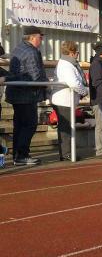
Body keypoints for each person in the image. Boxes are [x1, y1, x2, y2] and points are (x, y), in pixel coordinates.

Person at [5, 26, 48, 165]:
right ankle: (22, 155)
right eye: (40, 37)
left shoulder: (18, 48)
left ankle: (17, 155)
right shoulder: (31, 52)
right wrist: (47, 84)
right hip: (27, 95)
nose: (41, 40)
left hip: (16, 93)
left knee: (19, 125)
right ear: (33, 37)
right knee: (30, 124)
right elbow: (35, 76)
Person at [52, 41, 89, 161]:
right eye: (77, 52)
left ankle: (66, 153)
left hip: (66, 100)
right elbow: (74, 83)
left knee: (67, 126)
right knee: (66, 127)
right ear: (72, 53)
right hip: (63, 100)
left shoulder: (68, 63)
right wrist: (84, 91)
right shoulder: (66, 65)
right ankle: (66, 153)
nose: (78, 54)